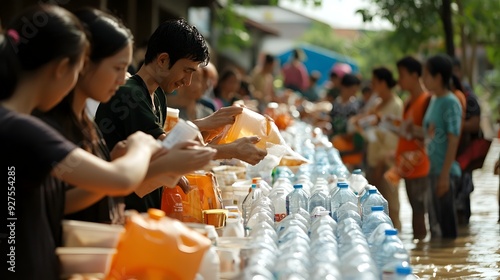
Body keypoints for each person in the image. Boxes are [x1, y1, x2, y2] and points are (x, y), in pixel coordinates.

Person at [0, 5, 164, 279]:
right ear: (63, 68)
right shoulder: (23, 130)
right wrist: (142, 146)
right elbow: (121, 179)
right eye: (78, 68)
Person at [36, 9, 215, 236]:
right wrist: (140, 150)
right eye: (118, 68)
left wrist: (118, 167)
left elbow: (104, 186)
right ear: (82, 64)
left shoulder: (82, 124)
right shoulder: (39, 128)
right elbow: (116, 180)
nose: (123, 79)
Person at [95, 19, 267, 213]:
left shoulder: (157, 94)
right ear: (162, 60)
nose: (187, 81)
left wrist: (206, 126)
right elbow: (168, 151)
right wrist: (231, 150)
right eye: (187, 71)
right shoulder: (130, 94)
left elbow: (168, 140)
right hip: (122, 209)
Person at [358, 67, 403, 231]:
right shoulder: (377, 104)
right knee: (374, 208)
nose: (373, 86)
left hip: (388, 164)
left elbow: (393, 140)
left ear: (383, 83)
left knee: (392, 206)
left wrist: (380, 165)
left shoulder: (396, 105)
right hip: (373, 160)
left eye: (375, 82)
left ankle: (395, 242)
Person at [422, 54, 462, 238]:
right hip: (432, 170)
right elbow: (431, 134)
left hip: (444, 173)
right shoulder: (434, 99)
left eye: (426, 74)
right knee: (435, 228)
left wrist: (444, 176)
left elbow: (454, 139)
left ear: (438, 77)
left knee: (447, 231)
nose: (423, 79)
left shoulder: (450, 102)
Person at [394, 56, 432, 240]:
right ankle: (421, 252)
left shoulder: (427, 101)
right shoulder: (408, 101)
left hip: (421, 166)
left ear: (415, 75)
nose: (399, 80)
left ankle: (424, 254)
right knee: (415, 213)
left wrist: (413, 129)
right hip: (407, 166)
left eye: (402, 75)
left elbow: (433, 134)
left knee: (419, 215)